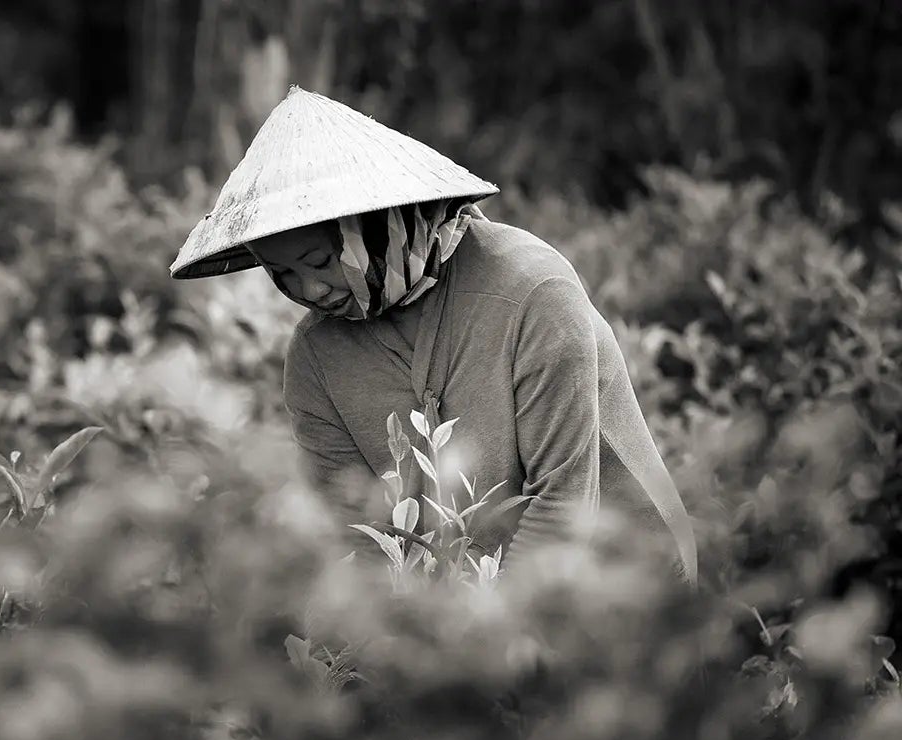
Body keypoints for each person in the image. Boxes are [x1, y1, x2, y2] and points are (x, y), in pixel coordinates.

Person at [170, 86, 697, 585]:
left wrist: (483, 645)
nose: (309, 289)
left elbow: (562, 504)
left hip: (624, 586)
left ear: (376, 227)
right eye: (283, 274)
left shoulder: (533, 293)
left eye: (319, 260)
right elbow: (353, 533)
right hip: (465, 612)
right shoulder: (314, 358)